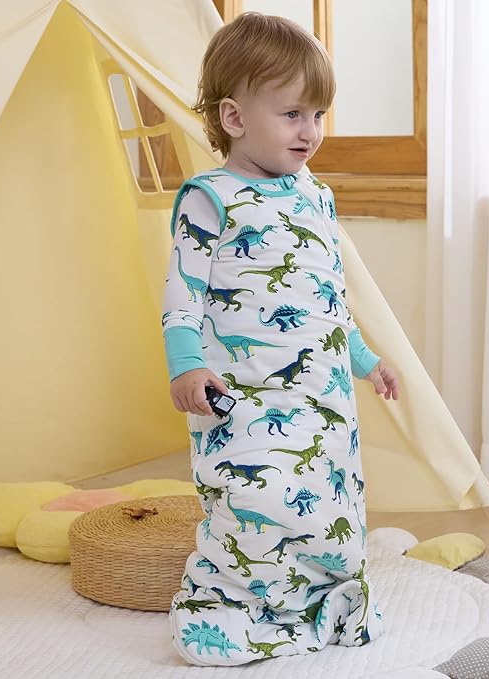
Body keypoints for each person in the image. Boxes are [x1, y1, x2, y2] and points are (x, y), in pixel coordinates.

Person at [162, 11, 399, 667]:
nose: (310, 131)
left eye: (318, 114)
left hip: (322, 397)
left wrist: (363, 359)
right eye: (293, 114)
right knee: (253, 498)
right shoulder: (210, 197)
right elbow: (183, 290)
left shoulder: (314, 195)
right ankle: (231, 606)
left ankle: (320, 599)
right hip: (244, 394)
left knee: (328, 505)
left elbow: (326, 294)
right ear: (235, 118)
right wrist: (185, 364)